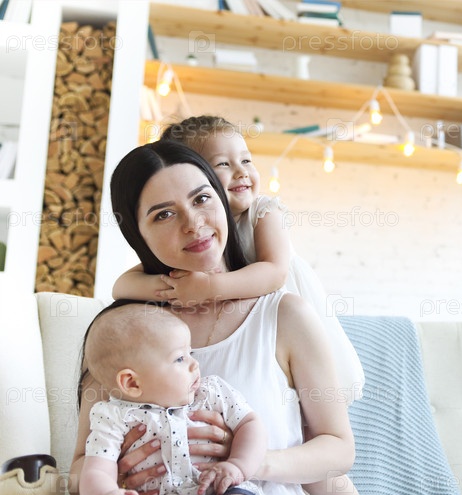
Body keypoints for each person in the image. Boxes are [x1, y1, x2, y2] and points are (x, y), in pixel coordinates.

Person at [70, 140, 357, 495]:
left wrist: (246, 461)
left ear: (221, 200)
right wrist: (117, 478)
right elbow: (77, 469)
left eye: (202, 199)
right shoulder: (123, 331)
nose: (193, 223)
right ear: (136, 234)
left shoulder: (284, 315)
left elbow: (338, 448)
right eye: (164, 214)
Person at [113, 115, 364, 406]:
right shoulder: (191, 240)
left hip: (282, 312)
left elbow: (274, 272)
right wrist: (175, 289)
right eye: (223, 164)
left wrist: (206, 288)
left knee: (317, 385)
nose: (241, 172)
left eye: (246, 160)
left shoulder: (263, 212)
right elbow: (122, 286)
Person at [80, 302, 267, 495]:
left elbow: (250, 423)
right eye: (179, 359)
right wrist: (109, 493)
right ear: (132, 383)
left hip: (219, 488)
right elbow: (97, 470)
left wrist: (237, 464)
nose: (195, 364)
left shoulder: (210, 392)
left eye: (190, 353)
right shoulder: (114, 418)